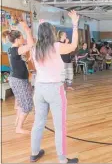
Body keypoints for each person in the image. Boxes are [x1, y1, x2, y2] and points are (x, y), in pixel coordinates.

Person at [31, 10, 79, 163]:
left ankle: (34, 152)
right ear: (52, 34)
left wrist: (41, 25)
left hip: (39, 89)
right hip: (55, 90)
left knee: (39, 122)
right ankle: (62, 159)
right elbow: (73, 46)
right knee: (60, 126)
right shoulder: (56, 46)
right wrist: (75, 25)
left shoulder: (34, 49)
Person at [5, 21, 34, 134]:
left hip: (16, 79)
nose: (23, 39)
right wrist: (27, 30)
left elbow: (27, 46)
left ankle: (18, 122)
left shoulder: (12, 49)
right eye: (22, 37)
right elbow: (30, 44)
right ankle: (19, 128)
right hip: (18, 80)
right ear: (17, 39)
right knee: (27, 105)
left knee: (22, 103)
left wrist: (28, 57)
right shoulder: (15, 50)